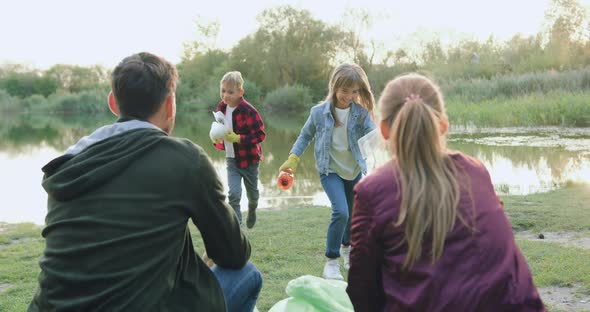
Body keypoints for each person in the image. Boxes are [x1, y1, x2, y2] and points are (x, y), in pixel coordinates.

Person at [29, 52, 262, 312]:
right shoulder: (185, 160)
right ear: (170, 105)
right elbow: (233, 253)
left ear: (113, 103)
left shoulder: (69, 164)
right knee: (247, 274)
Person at [346, 73, 545, 311]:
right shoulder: (476, 171)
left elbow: (363, 293)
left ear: (385, 130)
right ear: (442, 125)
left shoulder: (372, 192)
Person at [279, 63, 376, 280]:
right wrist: (293, 158)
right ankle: (331, 261)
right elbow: (304, 136)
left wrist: (384, 137)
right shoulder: (318, 113)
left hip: (353, 171)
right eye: (344, 91)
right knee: (340, 211)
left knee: (352, 215)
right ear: (334, 86)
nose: (349, 96)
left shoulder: (360, 114)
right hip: (329, 170)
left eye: (354, 91)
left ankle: (347, 250)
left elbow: (373, 134)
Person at [213, 71, 266, 229]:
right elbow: (220, 128)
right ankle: (237, 228)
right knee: (233, 194)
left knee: (253, 195)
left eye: (230, 92)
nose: (225, 95)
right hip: (232, 159)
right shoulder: (221, 108)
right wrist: (216, 138)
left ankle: (252, 209)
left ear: (240, 92)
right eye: (223, 91)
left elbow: (260, 135)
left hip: (250, 159)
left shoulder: (248, 110)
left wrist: (239, 138)